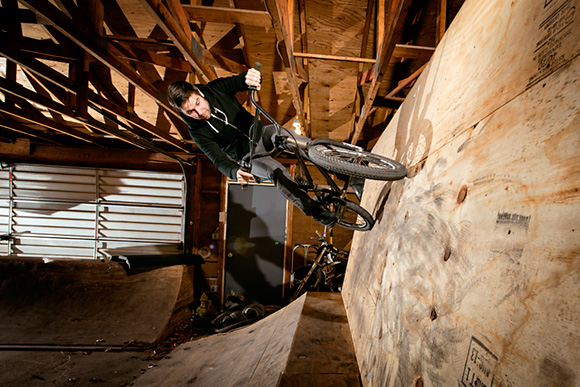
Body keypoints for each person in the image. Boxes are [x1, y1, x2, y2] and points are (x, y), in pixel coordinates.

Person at [167, 68, 338, 226]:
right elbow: (218, 160)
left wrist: (251, 77)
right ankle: (316, 212)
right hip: (248, 156)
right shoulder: (197, 132)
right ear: (183, 113)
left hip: (261, 134)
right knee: (275, 173)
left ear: (199, 92)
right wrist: (234, 172)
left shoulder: (216, 89)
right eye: (190, 112)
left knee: (284, 135)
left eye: (198, 103)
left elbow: (241, 81)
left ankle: (337, 164)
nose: (200, 112)